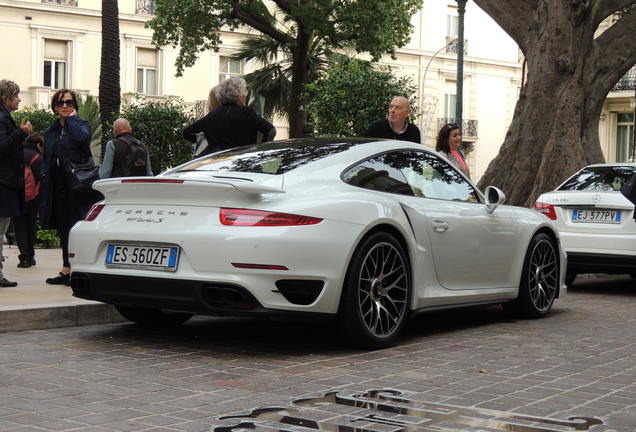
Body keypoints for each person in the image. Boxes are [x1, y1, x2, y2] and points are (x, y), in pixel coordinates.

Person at [40, 89, 100, 285]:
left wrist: (71, 121)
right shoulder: (51, 130)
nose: (65, 106)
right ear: (55, 107)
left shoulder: (80, 124)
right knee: (65, 228)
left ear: (74, 105)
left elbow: (82, 140)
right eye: (60, 103)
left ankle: (79, 269)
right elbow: (47, 157)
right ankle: (67, 268)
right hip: (59, 186)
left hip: (78, 185)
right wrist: (43, 174)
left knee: (78, 226)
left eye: (69, 103)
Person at [182, 77, 276, 155]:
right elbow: (271, 130)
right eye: (244, 95)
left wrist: (208, 141)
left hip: (218, 162)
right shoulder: (247, 113)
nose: (245, 97)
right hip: (242, 160)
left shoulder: (212, 115)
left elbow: (186, 133)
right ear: (239, 95)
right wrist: (260, 148)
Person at [0, 80, 32, 287]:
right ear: (6, 98)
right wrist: (21, 133)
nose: (20, 99)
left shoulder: (4, 117)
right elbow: (1, 147)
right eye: (17, 95)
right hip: (3, 183)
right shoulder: (2, 118)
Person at [12, 133, 43, 268]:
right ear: (38, 144)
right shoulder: (39, 158)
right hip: (33, 197)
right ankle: (31, 256)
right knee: (30, 226)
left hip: (16, 196)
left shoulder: (16, 154)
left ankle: (24, 258)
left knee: (19, 227)